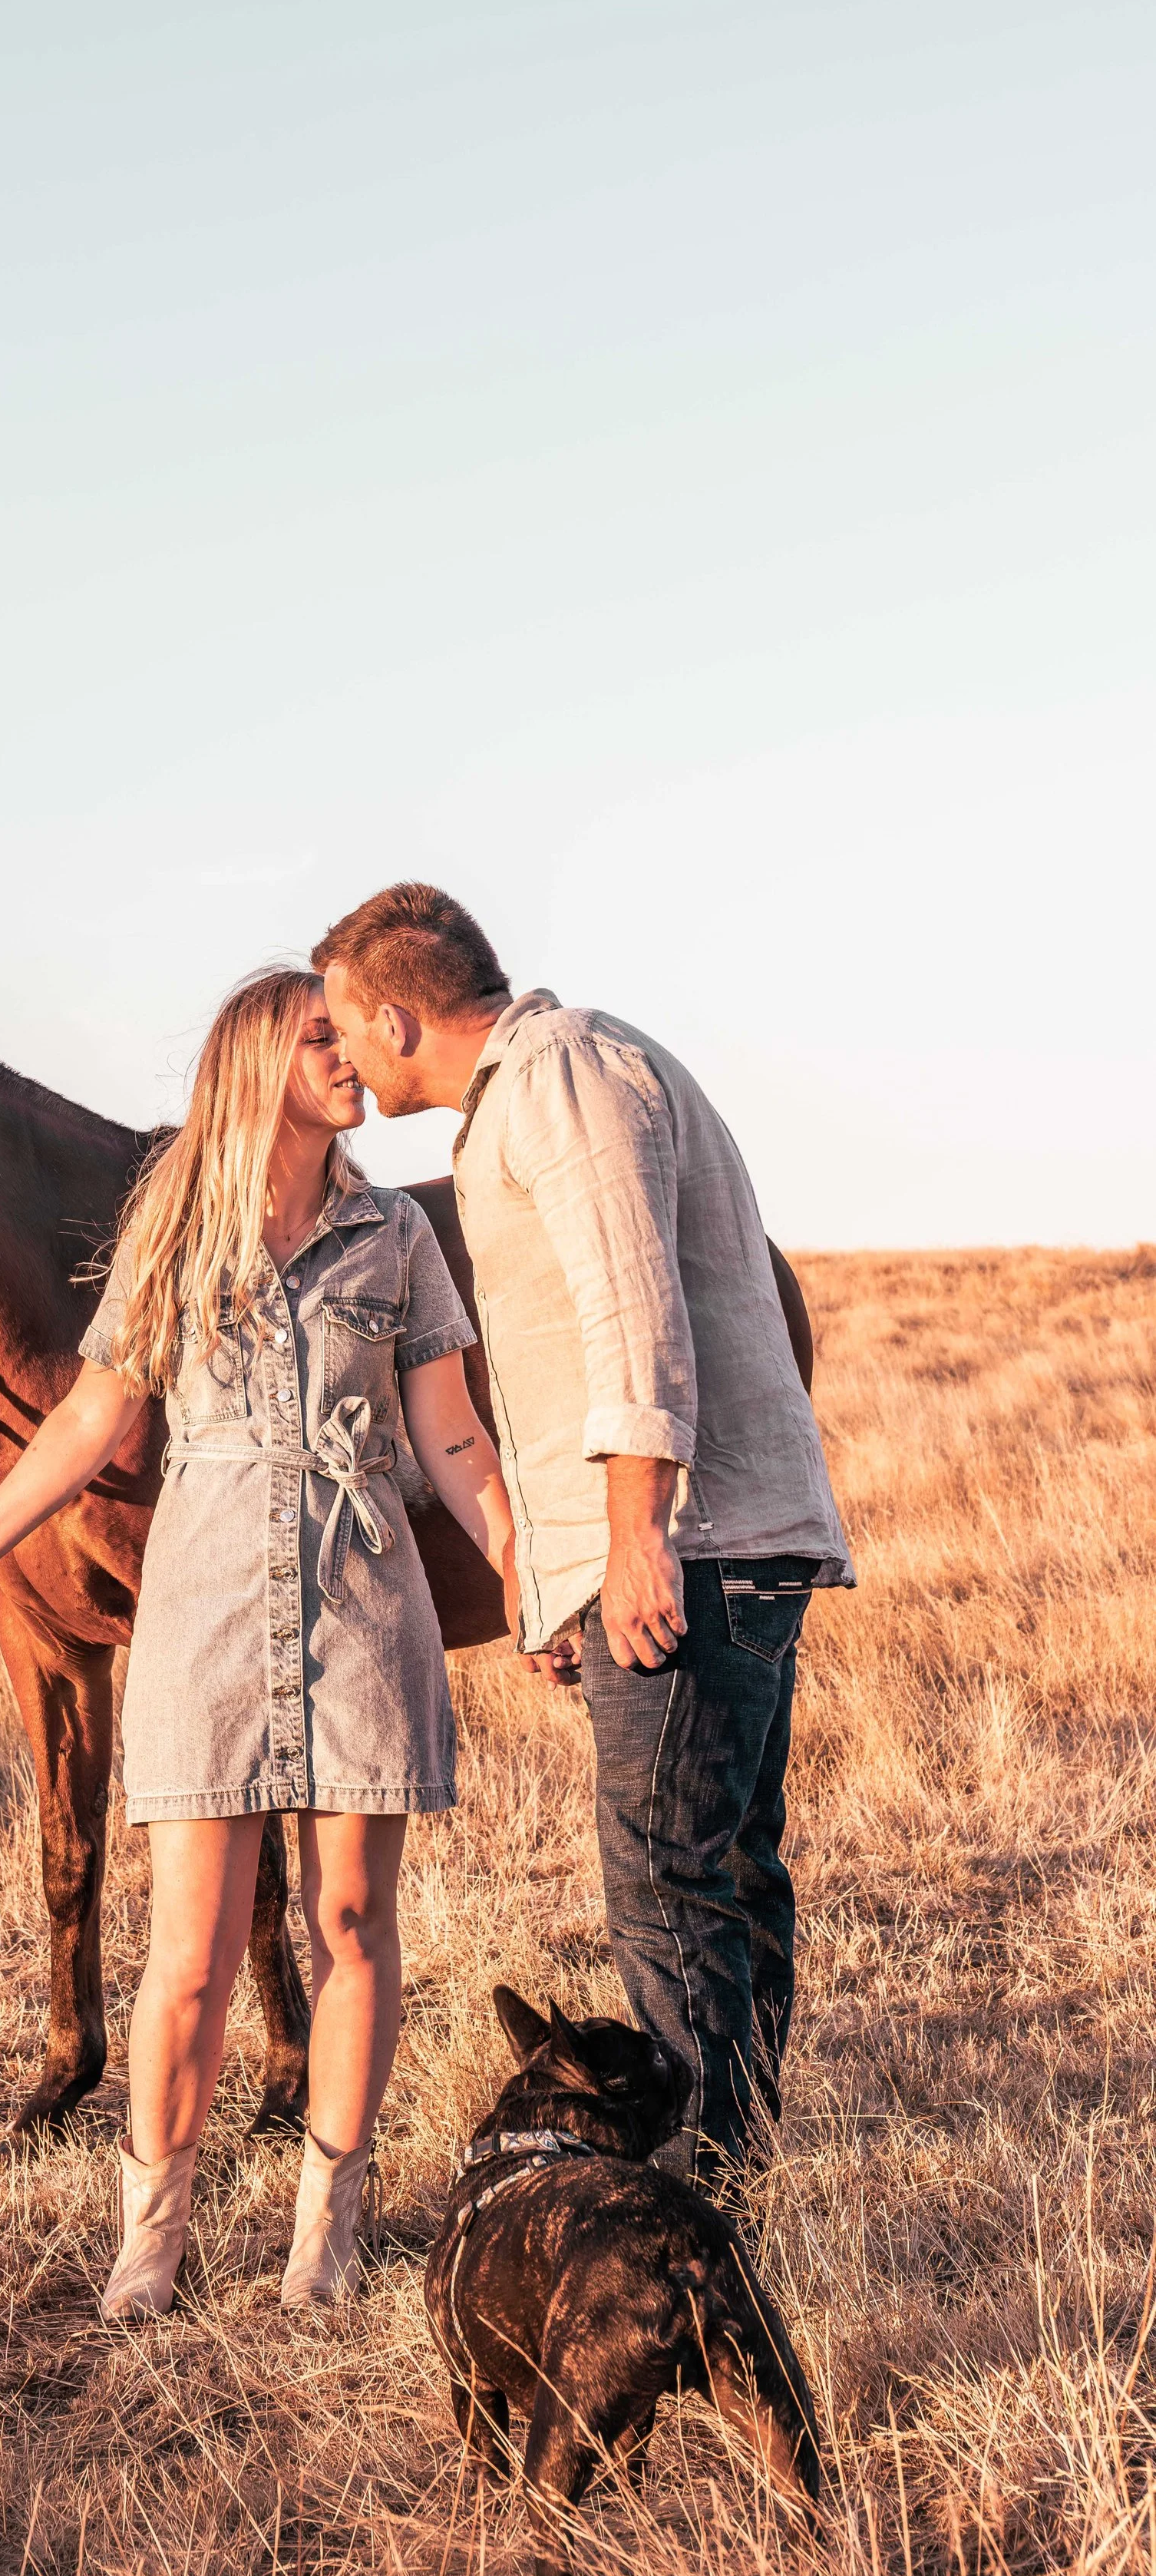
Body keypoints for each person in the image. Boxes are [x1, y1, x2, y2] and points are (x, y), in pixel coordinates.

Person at [0, 967, 517, 2316]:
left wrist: (525, 1561)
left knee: (352, 1920)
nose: (352, 1057)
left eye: (351, 1036)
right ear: (252, 1064)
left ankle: (323, 2235)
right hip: (210, 1607)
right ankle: (151, 2240)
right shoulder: (173, 1226)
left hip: (362, 1594)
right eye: (321, 1039)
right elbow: (96, 1416)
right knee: (193, 1956)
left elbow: (451, 1434)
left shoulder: (396, 1234)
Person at [314, 886, 854, 2200]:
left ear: (395, 1016)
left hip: (695, 1546)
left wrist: (632, 1540)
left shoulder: (558, 1080)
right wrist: (561, 1580)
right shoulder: (555, 1082)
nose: (340, 1056)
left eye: (342, 1027)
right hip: (707, 1543)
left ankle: (695, 2194)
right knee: (721, 1866)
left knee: (668, 1878)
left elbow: (631, 1310)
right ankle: (738, 2171)